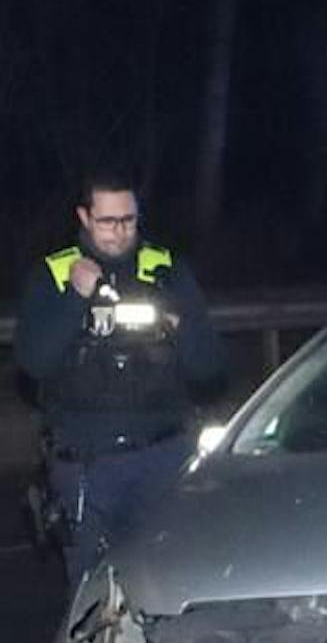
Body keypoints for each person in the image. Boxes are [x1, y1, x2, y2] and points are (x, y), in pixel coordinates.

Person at [16, 167, 225, 584]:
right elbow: (34, 363)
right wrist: (75, 298)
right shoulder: (55, 274)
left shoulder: (165, 270)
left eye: (128, 219)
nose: (120, 232)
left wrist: (178, 326)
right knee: (92, 592)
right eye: (108, 221)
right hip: (87, 467)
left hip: (163, 458)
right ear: (84, 217)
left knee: (168, 584)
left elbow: (210, 367)